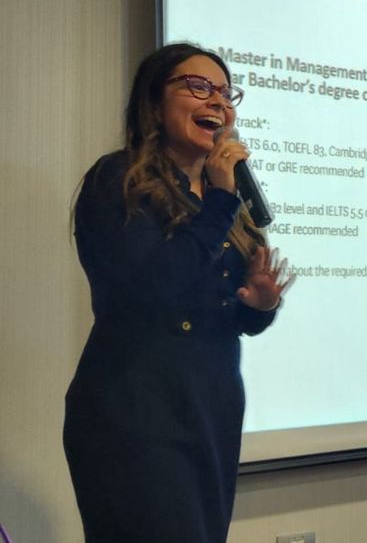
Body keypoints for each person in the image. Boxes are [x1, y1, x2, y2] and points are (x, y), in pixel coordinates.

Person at [63, 43, 292, 543]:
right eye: (198, 87)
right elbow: (156, 287)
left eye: (226, 93)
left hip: (210, 409)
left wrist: (259, 305)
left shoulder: (223, 199)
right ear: (154, 101)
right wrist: (222, 200)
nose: (218, 102)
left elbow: (220, 310)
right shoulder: (118, 179)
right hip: (135, 411)